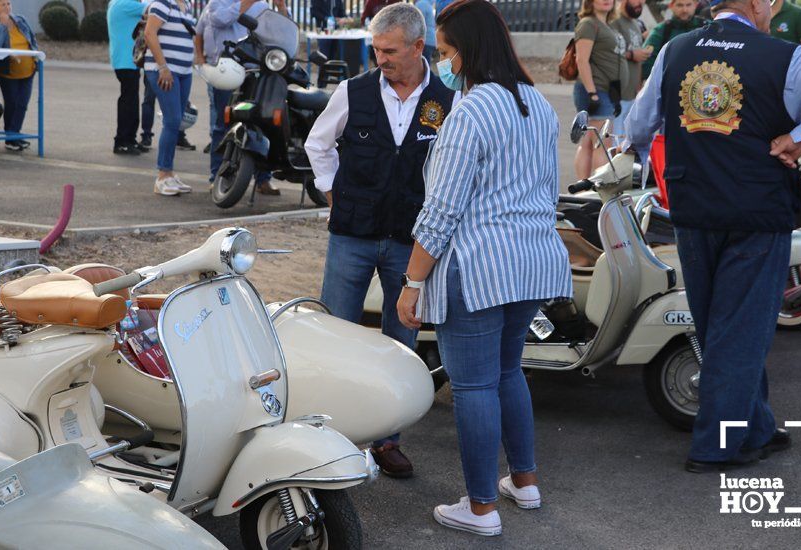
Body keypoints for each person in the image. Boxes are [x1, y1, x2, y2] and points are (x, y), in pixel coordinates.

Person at [623, 0, 801, 473]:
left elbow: (637, 125)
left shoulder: (675, 49)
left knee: (722, 324)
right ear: (757, 4)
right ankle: (715, 446)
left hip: (693, 208)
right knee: (741, 329)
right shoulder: (786, 57)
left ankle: (755, 427)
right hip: (757, 210)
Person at [396, 0, 572, 536]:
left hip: (478, 266)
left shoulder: (470, 112)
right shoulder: (536, 103)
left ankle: (479, 509)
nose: (443, 62)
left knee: (472, 387)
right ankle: (524, 481)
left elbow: (442, 210)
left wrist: (412, 282)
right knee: (507, 372)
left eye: (446, 51)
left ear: (466, 50)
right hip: (533, 261)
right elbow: (546, 188)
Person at [304, 2, 456, 479]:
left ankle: (387, 441)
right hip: (352, 237)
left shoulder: (448, 100)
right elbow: (317, 144)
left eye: (389, 50)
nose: (381, 59)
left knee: (400, 344)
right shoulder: (354, 90)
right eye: (375, 49)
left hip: (411, 244)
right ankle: (327, 437)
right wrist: (335, 196)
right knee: (333, 335)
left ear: (418, 46)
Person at [195, 0, 284, 196]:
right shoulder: (216, 3)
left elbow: (280, 32)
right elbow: (216, 23)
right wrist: (200, 59)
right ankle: (216, 177)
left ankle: (263, 179)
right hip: (225, 72)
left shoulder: (261, 7)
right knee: (223, 123)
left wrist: (282, 7)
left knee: (262, 122)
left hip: (254, 71)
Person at [572, 0, 628, 179]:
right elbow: (581, 59)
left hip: (606, 91)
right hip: (595, 90)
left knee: (590, 141)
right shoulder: (588, 24)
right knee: (601, 143)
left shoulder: (607, 25)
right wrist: (592, 93)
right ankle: (598, 189)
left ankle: (584, 188)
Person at [144, 0, 194, 195]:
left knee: (175, 121)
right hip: (165, 71)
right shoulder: (163, 3)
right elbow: (149, 33)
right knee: (172, 120)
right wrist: (163, 67)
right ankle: (163, 176)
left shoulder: (186, 6)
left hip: (183, 71)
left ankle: (170, 174)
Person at [0, 0, 36, 152]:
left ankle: (14, 135)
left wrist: (36, 57)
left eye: (8, 3)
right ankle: (11, 137)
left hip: (28, 70)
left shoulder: (20, 19)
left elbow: (32, 39)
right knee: (12, 102)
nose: (7, 7)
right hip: (8, 71)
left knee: (22, 104)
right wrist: (2, 25)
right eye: (3, 5)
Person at [108, 0, 151, 155]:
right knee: (128, 100)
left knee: (131, 99)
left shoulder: (117, 3)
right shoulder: (126, 3)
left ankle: (130, 139)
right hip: (126, 60)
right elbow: (153, 8)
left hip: (125, 60)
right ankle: (122, 141)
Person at [611, 0, 650, 144]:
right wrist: (632, 55)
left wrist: (639, 87)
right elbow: (608, 53)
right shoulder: (614, 22)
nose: (640, 2)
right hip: (616, 93)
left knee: (625, 143)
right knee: (612, 142)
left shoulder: (635, 23)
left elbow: (638, 59)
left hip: (632, 94)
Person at [642, 0, 706, 79]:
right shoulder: (661, 30)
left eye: (688, 5)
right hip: (670, 83)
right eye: (680, 5)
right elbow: (648, 60)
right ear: (671, 6)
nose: (684, 10)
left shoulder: (707, 27)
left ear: (695, 5)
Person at [311, 0, 346, 86]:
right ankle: (321, 85)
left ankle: (329, 81)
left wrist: (343, 19)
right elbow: (314, 12)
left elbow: (342, 12)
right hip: (323, 31)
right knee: (324, 57)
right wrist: (327, 18)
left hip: (336, 32)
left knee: (333, 57)